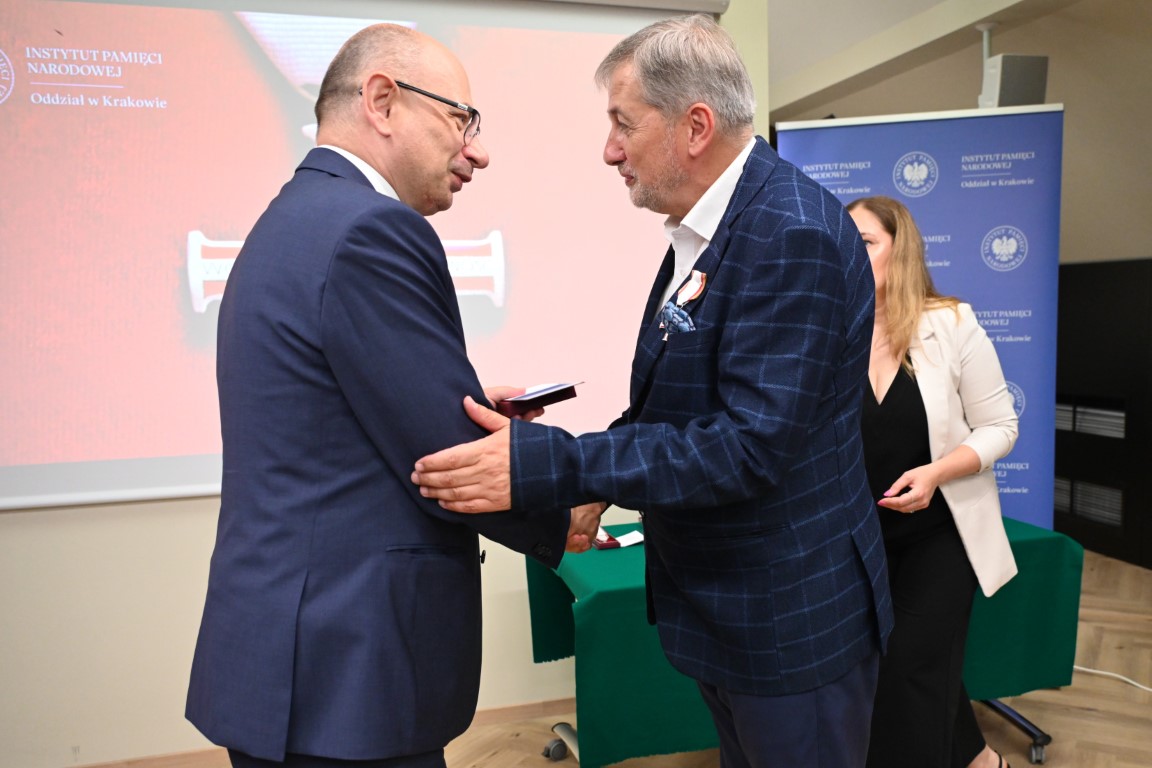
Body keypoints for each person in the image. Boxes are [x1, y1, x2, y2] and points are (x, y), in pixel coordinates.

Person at [411, 15, 893, 768]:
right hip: (737, 615)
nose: (611, 150)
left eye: (623, 124)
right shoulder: (716, 228)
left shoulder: (788, 232)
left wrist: (554, 464)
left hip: (789, 622)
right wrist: (593, 486)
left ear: (695, 126)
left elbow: (748, 447)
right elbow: (676, 404)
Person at [185, 24, 579, 768]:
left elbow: (336, 411)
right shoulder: (372, 228)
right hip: (345, 672)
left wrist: (457, 400)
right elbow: (446, 458)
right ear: (383, 101)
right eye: (461, 120)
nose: (478, 152)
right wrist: (572, 503)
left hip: (289, 654)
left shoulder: (292, 217)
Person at [845, 196, 1019, 768]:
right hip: (857, 541)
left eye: (865, 241)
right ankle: (980, 759)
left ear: (901, 250)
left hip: (940, 533)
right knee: (894, 666)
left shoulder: (951, 323)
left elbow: (1000, 427)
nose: (848, 251)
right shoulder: (829, 329)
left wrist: (936, 473)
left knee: (909, 668)